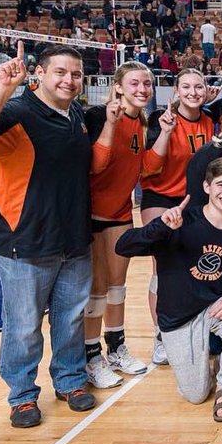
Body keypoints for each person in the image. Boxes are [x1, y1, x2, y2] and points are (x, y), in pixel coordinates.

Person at [0, 43, 96, 428]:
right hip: (24, 243)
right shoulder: (16, 112)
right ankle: (21, 396)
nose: (69, 80)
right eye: (60, 73)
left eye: (75, 74)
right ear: (39, 74)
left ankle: (70, 381)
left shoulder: (76, 115)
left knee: (70, 320)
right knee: (23, 326)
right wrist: (3, 88)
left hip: (73, 239)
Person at [115, 159, 222, 422]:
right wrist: (159, 227)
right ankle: (205, 364)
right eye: (221, 184)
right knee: (195, 395)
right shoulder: (179, 222)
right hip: (178, 315)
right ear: (206, 186)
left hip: (215, 307)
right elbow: (123, 247)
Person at [81, 62, 154, 389]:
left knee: (117, 288)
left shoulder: (142, 121)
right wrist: (110, 124)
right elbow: (96, 167)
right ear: (119, 87)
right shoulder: (98, 116)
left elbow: (147, 169)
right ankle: (91, 356)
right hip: (94, 214)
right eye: (135, 83)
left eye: (147, 84)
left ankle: (116, 347)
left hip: (122, 211)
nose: (142, 89)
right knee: (96, 291)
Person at [141, 68, 216, 366]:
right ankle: (161, 335)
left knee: (195, 266)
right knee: (163, 267)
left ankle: (192, 331)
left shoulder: (211, 120)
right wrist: (167, 132)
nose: (193, 92)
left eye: (199, 87)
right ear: (176, 90)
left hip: (195, 201)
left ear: (206, 90)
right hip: (161, 197)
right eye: (186, 87)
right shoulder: (162, 120)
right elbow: (149, 168)